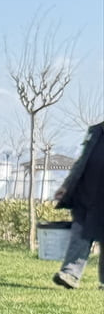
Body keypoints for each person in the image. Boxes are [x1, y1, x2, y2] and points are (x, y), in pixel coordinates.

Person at [52, 120, 103, 290]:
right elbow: (82, 161)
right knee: (80, 232)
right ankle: (70, 274)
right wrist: (66, 185)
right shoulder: (96, 131)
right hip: (87, 193)